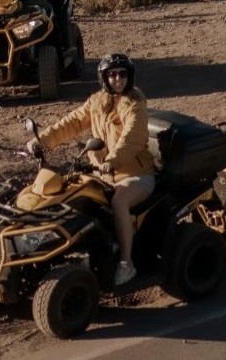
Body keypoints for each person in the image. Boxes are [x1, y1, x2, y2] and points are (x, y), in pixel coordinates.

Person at [28, 54, 154, 286]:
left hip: (135, 175)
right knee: (72, 197)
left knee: (119, 203)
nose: (118, 79)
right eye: (112, 74)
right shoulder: (97, 102)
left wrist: (113, 160)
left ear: (130, 76)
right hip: (104, 175)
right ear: (104, 78)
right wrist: (43, 141)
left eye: (122, 74)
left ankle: (127, 263)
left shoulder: (135, 104)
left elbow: (132, 138)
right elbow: (72, 122)